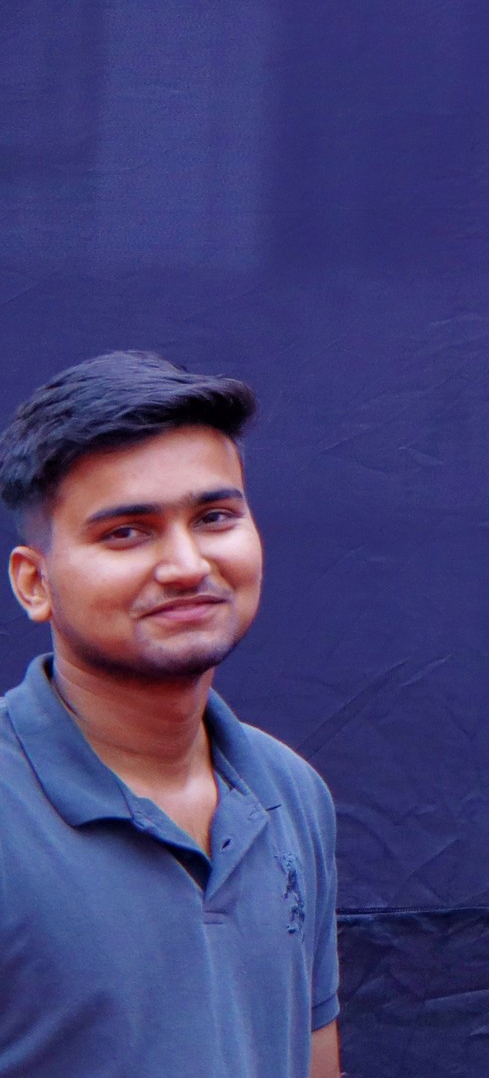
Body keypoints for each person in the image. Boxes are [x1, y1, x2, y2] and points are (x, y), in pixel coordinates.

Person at [0, 352, 339, 1076]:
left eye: (214, 517)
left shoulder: (291, 790)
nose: (187, 564)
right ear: (34, 582)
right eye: (127, 531)